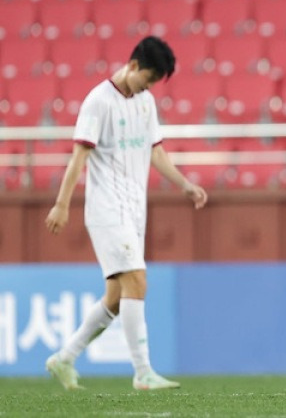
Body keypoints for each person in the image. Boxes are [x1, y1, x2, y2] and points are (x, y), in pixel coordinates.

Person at [44, 37, 208, 391]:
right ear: (133, 65)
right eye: (147, 78)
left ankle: (64, 358)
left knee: (117, 299)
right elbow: (78, 159)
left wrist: (185, 185)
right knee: (138, 281)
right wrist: (61, 203)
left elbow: (157, 153)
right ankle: (142, 372)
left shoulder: (145, 103)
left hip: (135, 209)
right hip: (106, 208)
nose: (148, 87)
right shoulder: (98, 102)